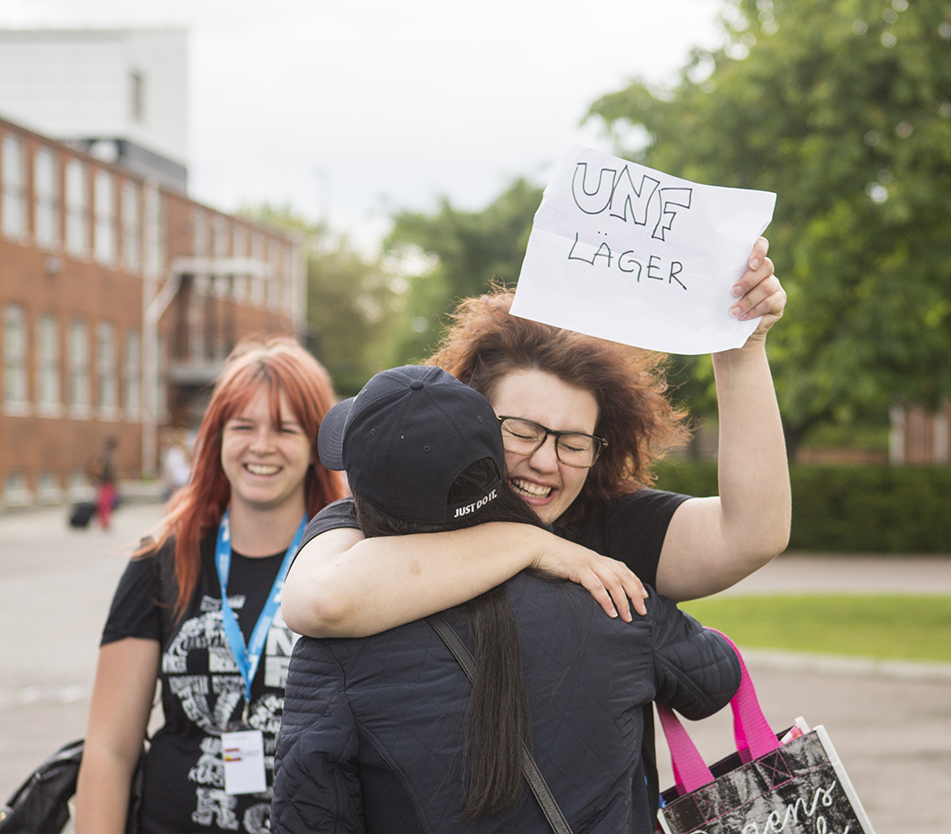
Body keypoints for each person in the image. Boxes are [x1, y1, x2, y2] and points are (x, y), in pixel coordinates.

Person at [280, 238, 788, 815]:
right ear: (468, 415)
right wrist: (527, 544)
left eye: (574, 443)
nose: (546, 462)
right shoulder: (375, 521)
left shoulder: (609, 523)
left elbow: (752, 533)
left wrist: (742, 349)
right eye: (521, 431)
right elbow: (320, 600)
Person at [273, 366, 741, 833]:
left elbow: (311, 816)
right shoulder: (611, 595)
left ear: (360, 494)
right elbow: (718, 679)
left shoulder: (333, 650)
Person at [75, 337, 347, 834]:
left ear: (314, 448)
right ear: (217, 438)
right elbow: (110, 750)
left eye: (286, 429)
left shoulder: (348, 561)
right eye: (243, 426)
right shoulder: (161, 559)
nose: (261, 446)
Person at [91, 436, 119, 530]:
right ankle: (104, 523)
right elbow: (110, 471)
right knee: (106, 504)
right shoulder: (108, 455)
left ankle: (104, 522)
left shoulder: (104, 454)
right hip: (107, 482)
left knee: (105, 503)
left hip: (105, 482)